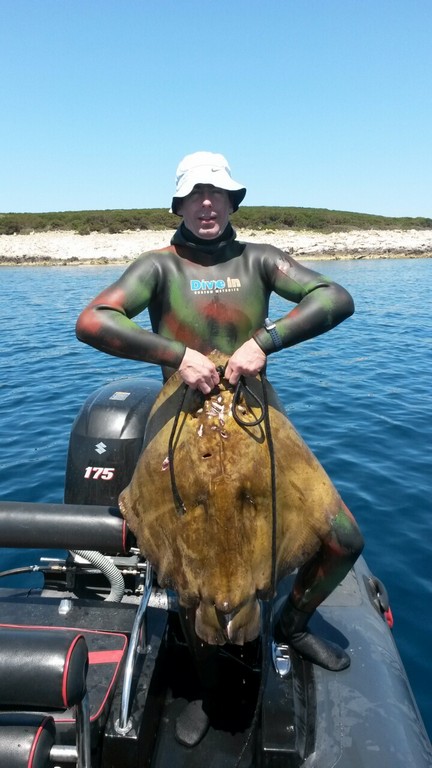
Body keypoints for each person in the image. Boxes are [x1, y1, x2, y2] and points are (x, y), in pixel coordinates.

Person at [76, 151, 364, 746]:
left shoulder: (258, 260)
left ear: (233, 201)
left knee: (343, 540)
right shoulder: (159, 267)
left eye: (218, 193)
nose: (206, 204)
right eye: (195, 195)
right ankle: (209, 692)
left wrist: (266, 340)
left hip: (258, 423)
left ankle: (291, 622)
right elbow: (94, 321)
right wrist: (176, 355)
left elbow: (334, 297)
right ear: (178, 205)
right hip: (179, 432)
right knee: (191, 576)